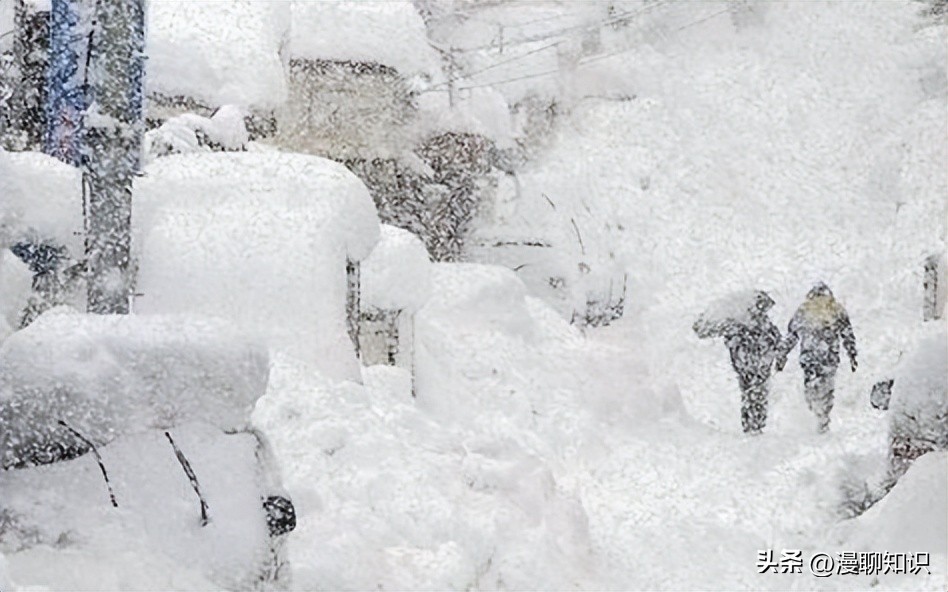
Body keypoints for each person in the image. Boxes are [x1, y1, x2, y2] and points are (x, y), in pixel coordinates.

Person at [694, 291, 782, 434]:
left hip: (746, 365)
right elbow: (776, 341)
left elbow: (703, 331)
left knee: (751, 393)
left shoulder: (737, 323)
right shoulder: (759, 324)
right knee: (756, 393)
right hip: (756, 365)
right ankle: (754, 425)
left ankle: (752, 425)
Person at [775, 282, 857, 433]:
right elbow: (847, 335)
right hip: (829, 357)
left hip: (810, 357)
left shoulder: (804, 310)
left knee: (811, 385)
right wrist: (852, 354)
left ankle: (813, 411)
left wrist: (782, 354)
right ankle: (823, 417)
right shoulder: (836, 310)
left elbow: (791, 335)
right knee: (827, 388)